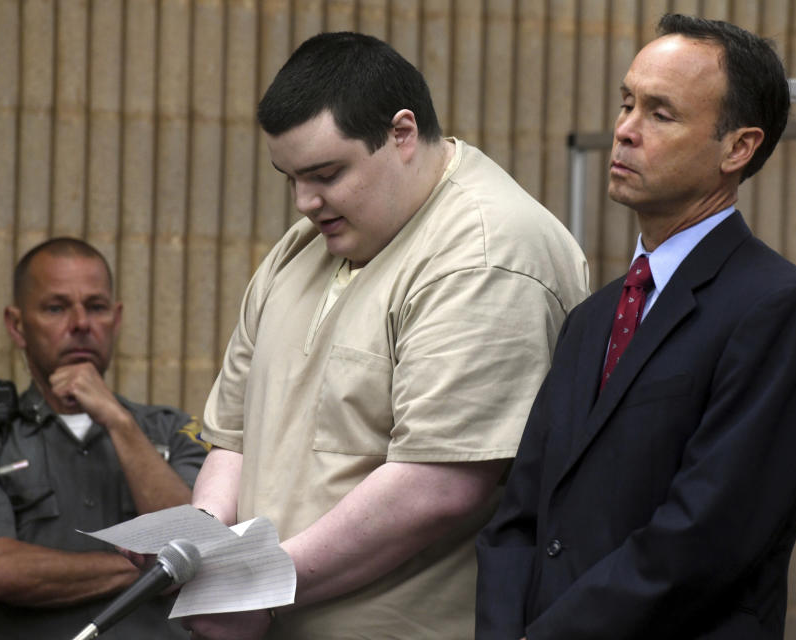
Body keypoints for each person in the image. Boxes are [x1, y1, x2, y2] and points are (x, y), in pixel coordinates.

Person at [185, 31, 590, 639]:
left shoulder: (488, 251)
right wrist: (201, 546)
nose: (303, 201)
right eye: (289, 176)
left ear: (402, 134)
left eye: (325, 173)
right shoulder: (305, 246)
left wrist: (257, 584)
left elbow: (440, 486)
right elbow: (235, 437)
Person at [475, 13, 796, 639]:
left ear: (739, 147)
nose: (624, 131)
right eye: (626, 104)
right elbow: (520, 517)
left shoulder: (776, 308)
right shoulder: (595, 317)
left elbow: (706, 536)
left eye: (660, 114)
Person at [0, 237, 211, 639]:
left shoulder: (174, 432)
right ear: (17, 325)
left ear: (117, 318)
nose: (80, 324)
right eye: (56, 308)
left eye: (96, 307)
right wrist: (160, 570)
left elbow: (200, 547)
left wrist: (120, 423)